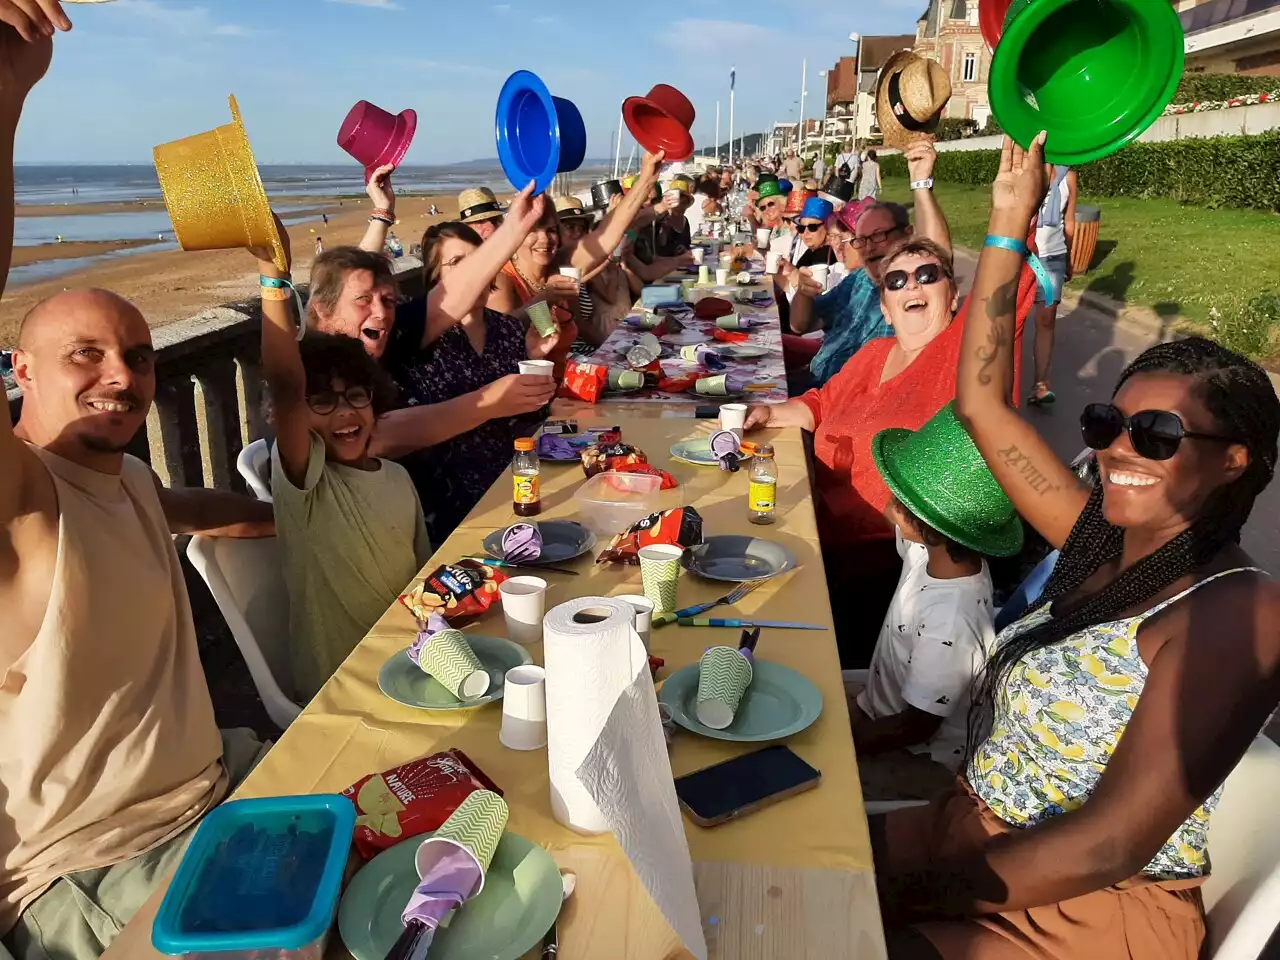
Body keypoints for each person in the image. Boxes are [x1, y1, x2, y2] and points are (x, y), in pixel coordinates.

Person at [875, 134, 1280, 960]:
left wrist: (905, 897)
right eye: (1108, 424)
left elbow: (1111, 843)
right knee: (767, 868)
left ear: (1234, 458)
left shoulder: (1242, 610)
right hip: (976, 835)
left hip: (1085, 908)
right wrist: (1005, 225)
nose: (1118, 449)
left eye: (1158, 434)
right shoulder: (1104, 539)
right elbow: (982, 405)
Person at [0, 12, 275, 956]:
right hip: (103, 875)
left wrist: (280, 520)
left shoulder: (121, 483)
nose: (122, 375)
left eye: (138, 355)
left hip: (216, 793)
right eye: (86, 355)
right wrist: (5, 96)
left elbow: (182, 509)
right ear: (19, 375)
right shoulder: (24, 504)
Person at [747, 237, 1036, 662]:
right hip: (816, 534)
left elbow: (1009, 274)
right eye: (897, 281)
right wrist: (767, 413)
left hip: (889, 565)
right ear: (885, 307)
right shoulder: (874, 352)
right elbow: (822, 403)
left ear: (953, 295)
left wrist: (1026, 195)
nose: (912, 287)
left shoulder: (968, 357)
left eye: (928, 276)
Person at [252, 222, 431, 701]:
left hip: (415, 660)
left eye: (356, 395)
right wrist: (274, 277)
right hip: (344, 684)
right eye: (323, 403)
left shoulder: (396, 476)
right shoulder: (305, 483)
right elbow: (288, 387)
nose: (346, 411)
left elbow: (421, 580)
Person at [850, 404, 1022, 803]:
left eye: (902, 496)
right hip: (878, 708)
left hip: (915, 756)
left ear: (929, 525)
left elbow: (916, 726)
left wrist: (845, 745)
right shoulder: (931, 552)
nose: (892, 494)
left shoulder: (951, 620)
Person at [380, 185, 567, 542]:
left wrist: (536, 359)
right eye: (456, 263)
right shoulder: (419, 341)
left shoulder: (507, 329)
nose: (475, 273)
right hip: (451, 508)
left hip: (515, 490)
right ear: (435, 280)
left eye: (478, 260)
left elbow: (530, 419)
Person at [1028, 163, 1078, 406]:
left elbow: (1069, 221)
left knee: (1046, 320)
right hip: (1022, 258)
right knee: (1007, 322)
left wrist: (1069, 259)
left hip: (1052, 259)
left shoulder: (1068, 176)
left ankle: (1040, 384)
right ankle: (1001, 386)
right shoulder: (1025, 168)